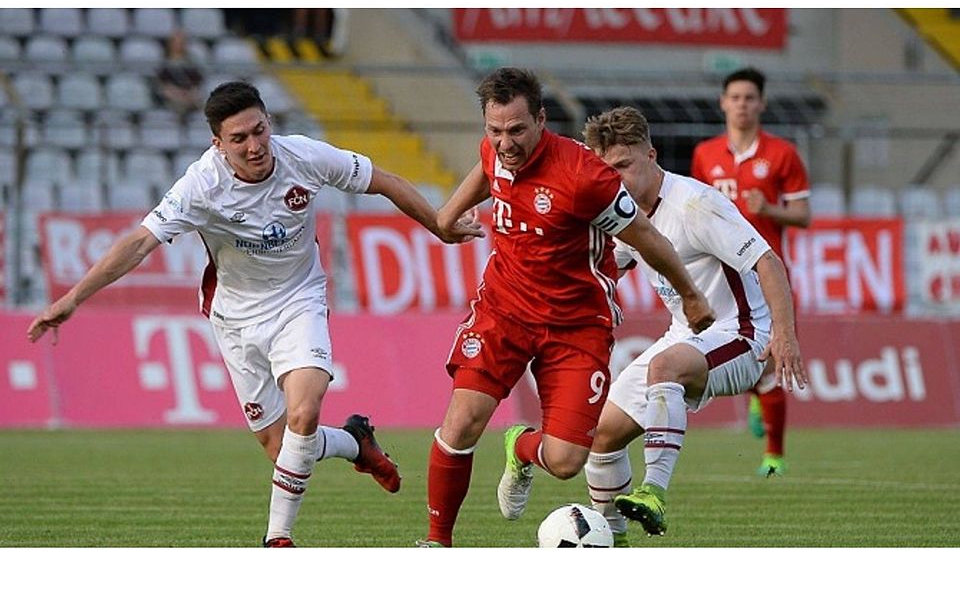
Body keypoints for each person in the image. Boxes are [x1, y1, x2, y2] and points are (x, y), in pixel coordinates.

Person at [26, 81, 483, 547]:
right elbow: (139, 242)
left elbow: (384, 181)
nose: (254, 145)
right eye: (239, 139)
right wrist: (73, 298)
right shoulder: (201, 186)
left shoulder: (304, 157)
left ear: (269, 123)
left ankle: (277, 540)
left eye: (259, 131)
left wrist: (440, 226)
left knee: (304, 413)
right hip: (236, 318)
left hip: (299, 301)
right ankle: (354, 442)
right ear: (218, 145)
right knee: (281, 447)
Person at [417, 68, 715, 548]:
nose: (505, 142)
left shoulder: (585, 177)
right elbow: (486, 170)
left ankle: (520, 445)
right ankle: (436, 544)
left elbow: (646, 236)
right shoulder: (494, 150)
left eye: (516, 130)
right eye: (495, 131)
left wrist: (692, 295)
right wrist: (446, 217)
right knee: (461, 422)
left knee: (565, 461)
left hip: (575, 326)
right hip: (503, 309)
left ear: (541, 119)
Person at [581, 106, 809, 544]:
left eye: (624, 165)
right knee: (602, 438)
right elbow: (608, 268)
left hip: (742, 333)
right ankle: (609, 544)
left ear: (651, 155)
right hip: (684, 335)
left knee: (664, 368)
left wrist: (785, 334)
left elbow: (768, 261)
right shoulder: (625, 215)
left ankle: (654, 493)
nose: (617, 179)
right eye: (607, 171)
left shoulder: (694, 204)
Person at [690, 67, 811, 476]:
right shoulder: (705, 154)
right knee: (730, 353)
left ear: (761, 103)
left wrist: (770, 209)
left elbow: (803, 215)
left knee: (774, 358)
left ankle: (774, 457)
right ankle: (758, 393)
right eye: (735, 97)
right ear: (724, 102)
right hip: (722, 277)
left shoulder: (783, 153)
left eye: (749, 98)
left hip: (765, 271)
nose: (742, 104)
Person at [153, 30, 203, 115]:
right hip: (172, 96)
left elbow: (197, 82)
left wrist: (191, 94)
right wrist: (178, 94)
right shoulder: (163, 63)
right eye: (176, 42)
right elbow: (162, 85)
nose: (179, 45)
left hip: (190, 95)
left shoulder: (191, 62)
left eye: (182, 42)